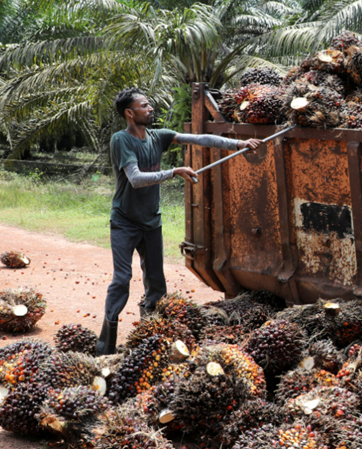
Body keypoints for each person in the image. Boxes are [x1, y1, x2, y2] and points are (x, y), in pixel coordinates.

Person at [96, 87, 263, 355]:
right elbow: (136, 179)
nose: (150, 109)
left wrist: (238, 144)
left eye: (149, 104)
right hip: (125, 222)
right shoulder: (121, 140)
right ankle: (105, 346)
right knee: (122, 279)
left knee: (156, 281)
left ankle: (150, 339)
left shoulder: (157, 137)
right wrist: (174, 171)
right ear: (129, 113)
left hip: (151, 222)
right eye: (144, 105)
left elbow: (200, 138)